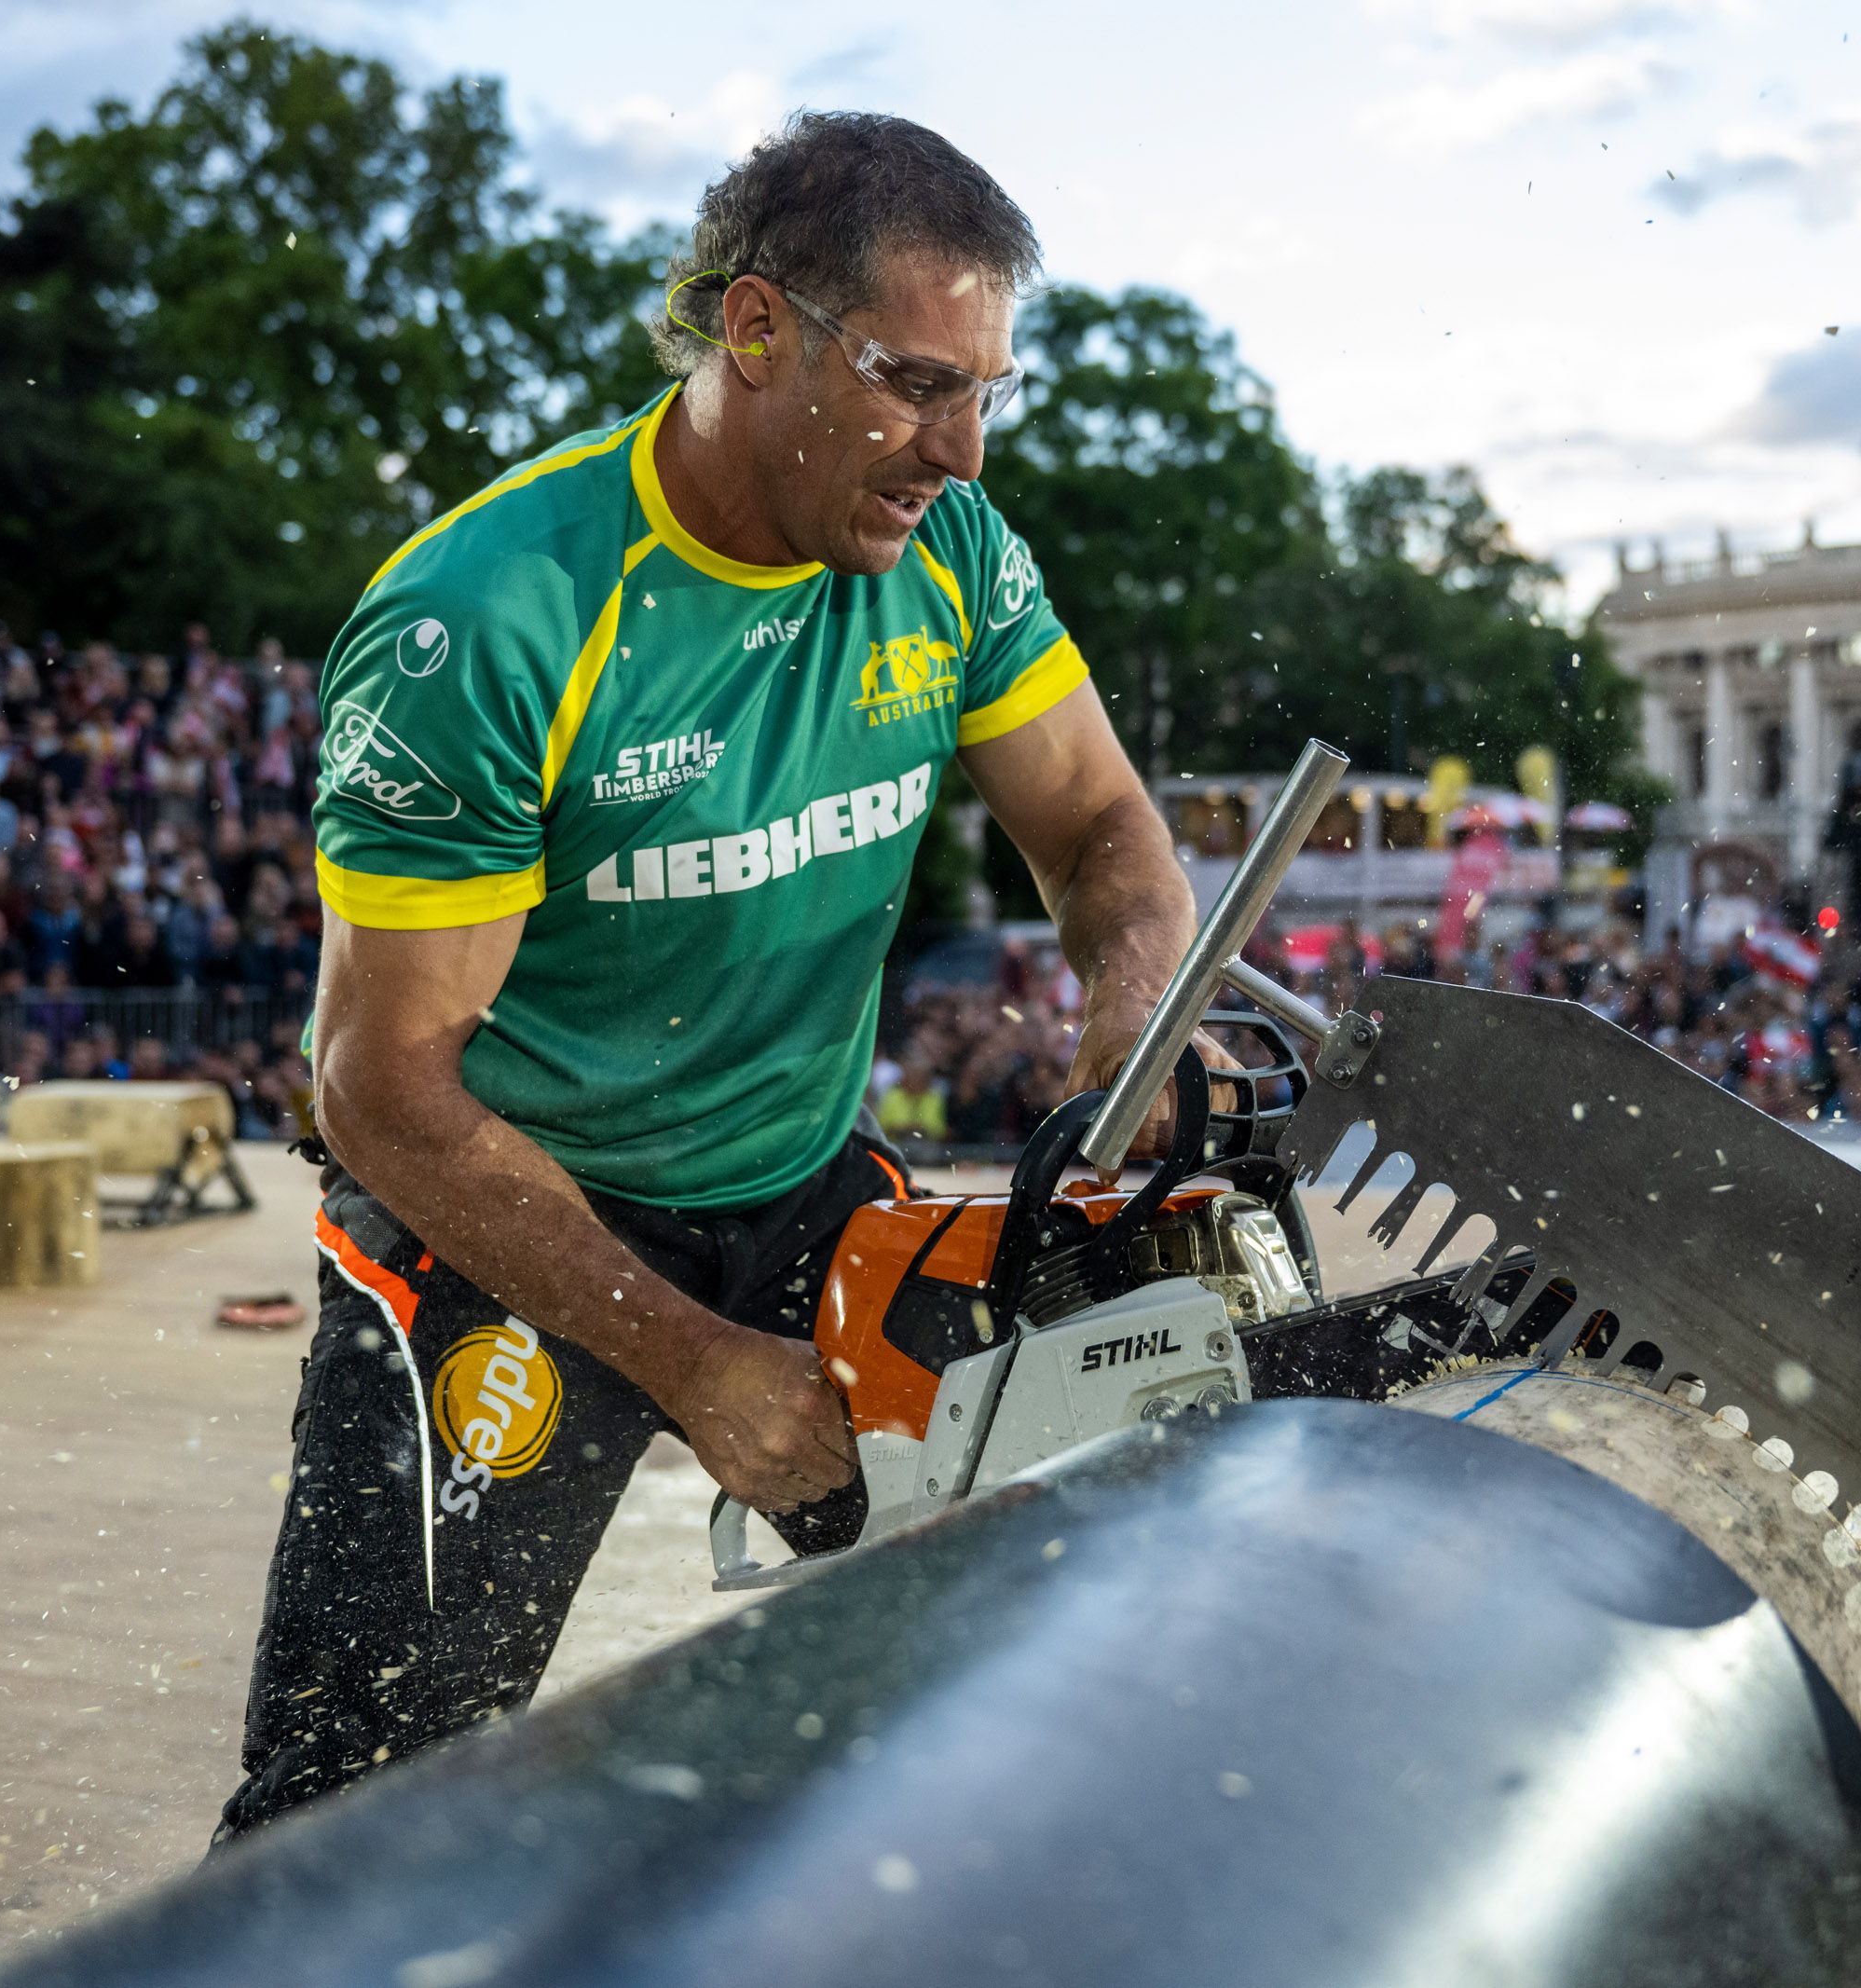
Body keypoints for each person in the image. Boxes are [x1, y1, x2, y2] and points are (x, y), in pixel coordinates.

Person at [221, 115, 1208, 1842]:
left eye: (988, 390)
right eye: (915, 383)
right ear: (757, 331)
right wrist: (696, 1363)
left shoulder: (951, 553)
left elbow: (1105, 836)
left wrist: (1134, 1007)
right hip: (509, 1217)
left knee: (994, 1647)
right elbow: (381, 1085)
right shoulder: (493, 615)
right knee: (356, 1810)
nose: (961, 451)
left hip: (800, 1185)